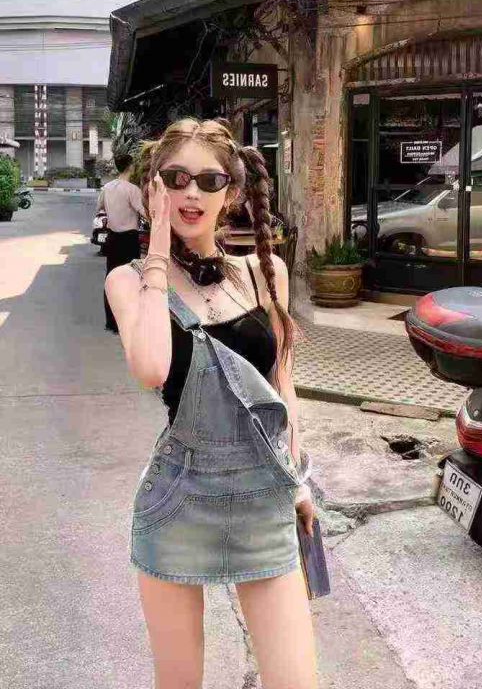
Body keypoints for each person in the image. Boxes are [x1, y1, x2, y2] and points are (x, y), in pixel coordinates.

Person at [104, 118, 318, 689]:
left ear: (233, 191)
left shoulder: (264, 272)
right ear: (154, 187)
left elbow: (283, 388)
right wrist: (156, 247)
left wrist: (298, 480)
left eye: (208, 180)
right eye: (175, 178)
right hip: (179, 502)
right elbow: (151, 368)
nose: (191, 193)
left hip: (263, 499)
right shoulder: (129, 282)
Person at [98, 153, 145, 333]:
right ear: (131, 166)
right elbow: (145, 212)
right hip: (129, 239)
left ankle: (111, 322)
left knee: (111, 279)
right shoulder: (132, 190)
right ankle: (127, 322)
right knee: (130, 280)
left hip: (112, 239)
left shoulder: (107, 187)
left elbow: (99, 208)